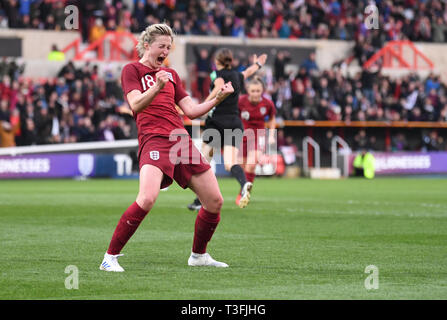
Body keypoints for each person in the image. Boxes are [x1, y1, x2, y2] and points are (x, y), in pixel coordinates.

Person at [99, 23, 235, 272]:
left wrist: (217, 98)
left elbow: (192, 111)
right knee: (147, 198)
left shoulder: (171, 74)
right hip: (153, 139)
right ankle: (110, 257)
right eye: (161, 46)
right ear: (147, 45)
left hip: (180, 140)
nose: (165, 52)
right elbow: (136, 104)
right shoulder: (132, 70)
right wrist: (157, 86)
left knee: (214, 201)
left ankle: (199, 255)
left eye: (169, 48)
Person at [187, 48, 267, 211]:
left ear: (217, 61)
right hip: (234, 122)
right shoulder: (238, 75)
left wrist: (202, 106)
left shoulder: (217, 74)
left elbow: (218, 88)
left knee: (204, 163)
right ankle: (244, 183)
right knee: (231, 163)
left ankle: (199, 200)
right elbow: (249, 71)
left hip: (216, 123)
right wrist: (258, 64)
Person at [236, 77, 276, 205]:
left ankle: (245, 193)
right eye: (253, 91)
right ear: (248, 90)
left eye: (258, 91)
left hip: (259, 136)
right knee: (242, 167)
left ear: (262, 91)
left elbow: (272, 119)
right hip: (242, 136)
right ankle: (244, 188)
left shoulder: (268, 104)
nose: (255, 93)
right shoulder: (240, 102)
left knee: (251, 165)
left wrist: (271, 135)